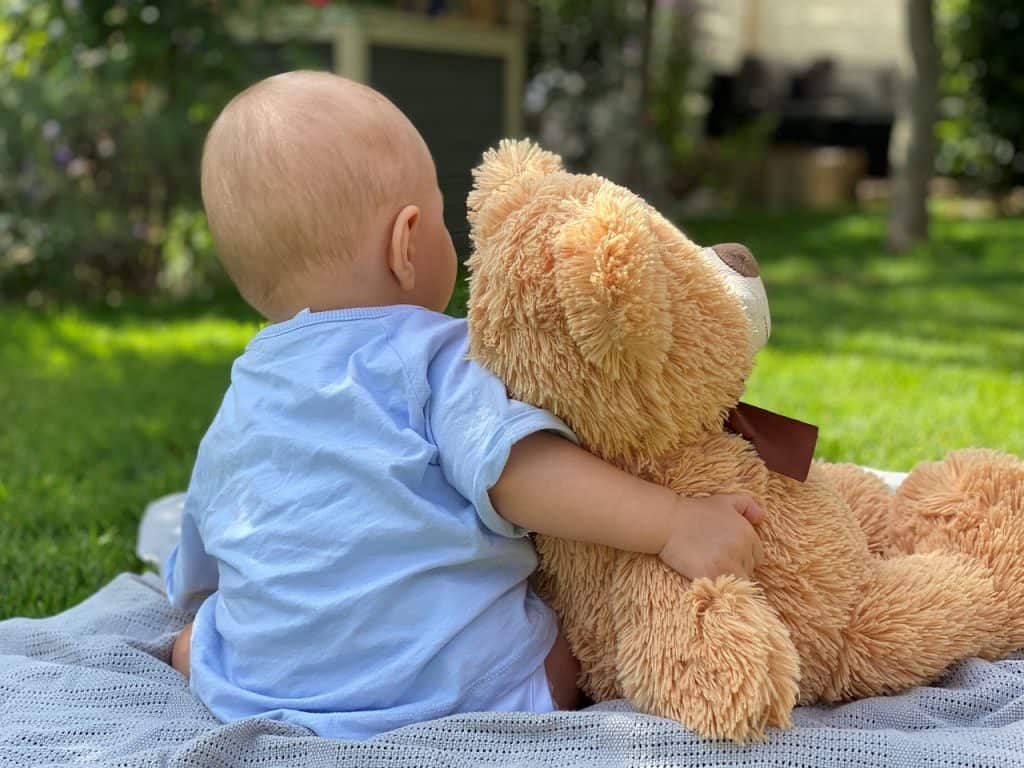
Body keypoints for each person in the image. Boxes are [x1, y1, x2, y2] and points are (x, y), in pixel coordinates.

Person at [165, 70, 765, 741]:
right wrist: (672, 521)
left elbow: (207, 539)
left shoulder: (247, 387)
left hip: (264, 694)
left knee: (199, 639)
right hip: (458, 696)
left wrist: (206, 605)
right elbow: (519, 474)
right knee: (566, 641)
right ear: (407, 243)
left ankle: (232, 663)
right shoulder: (434, 352)